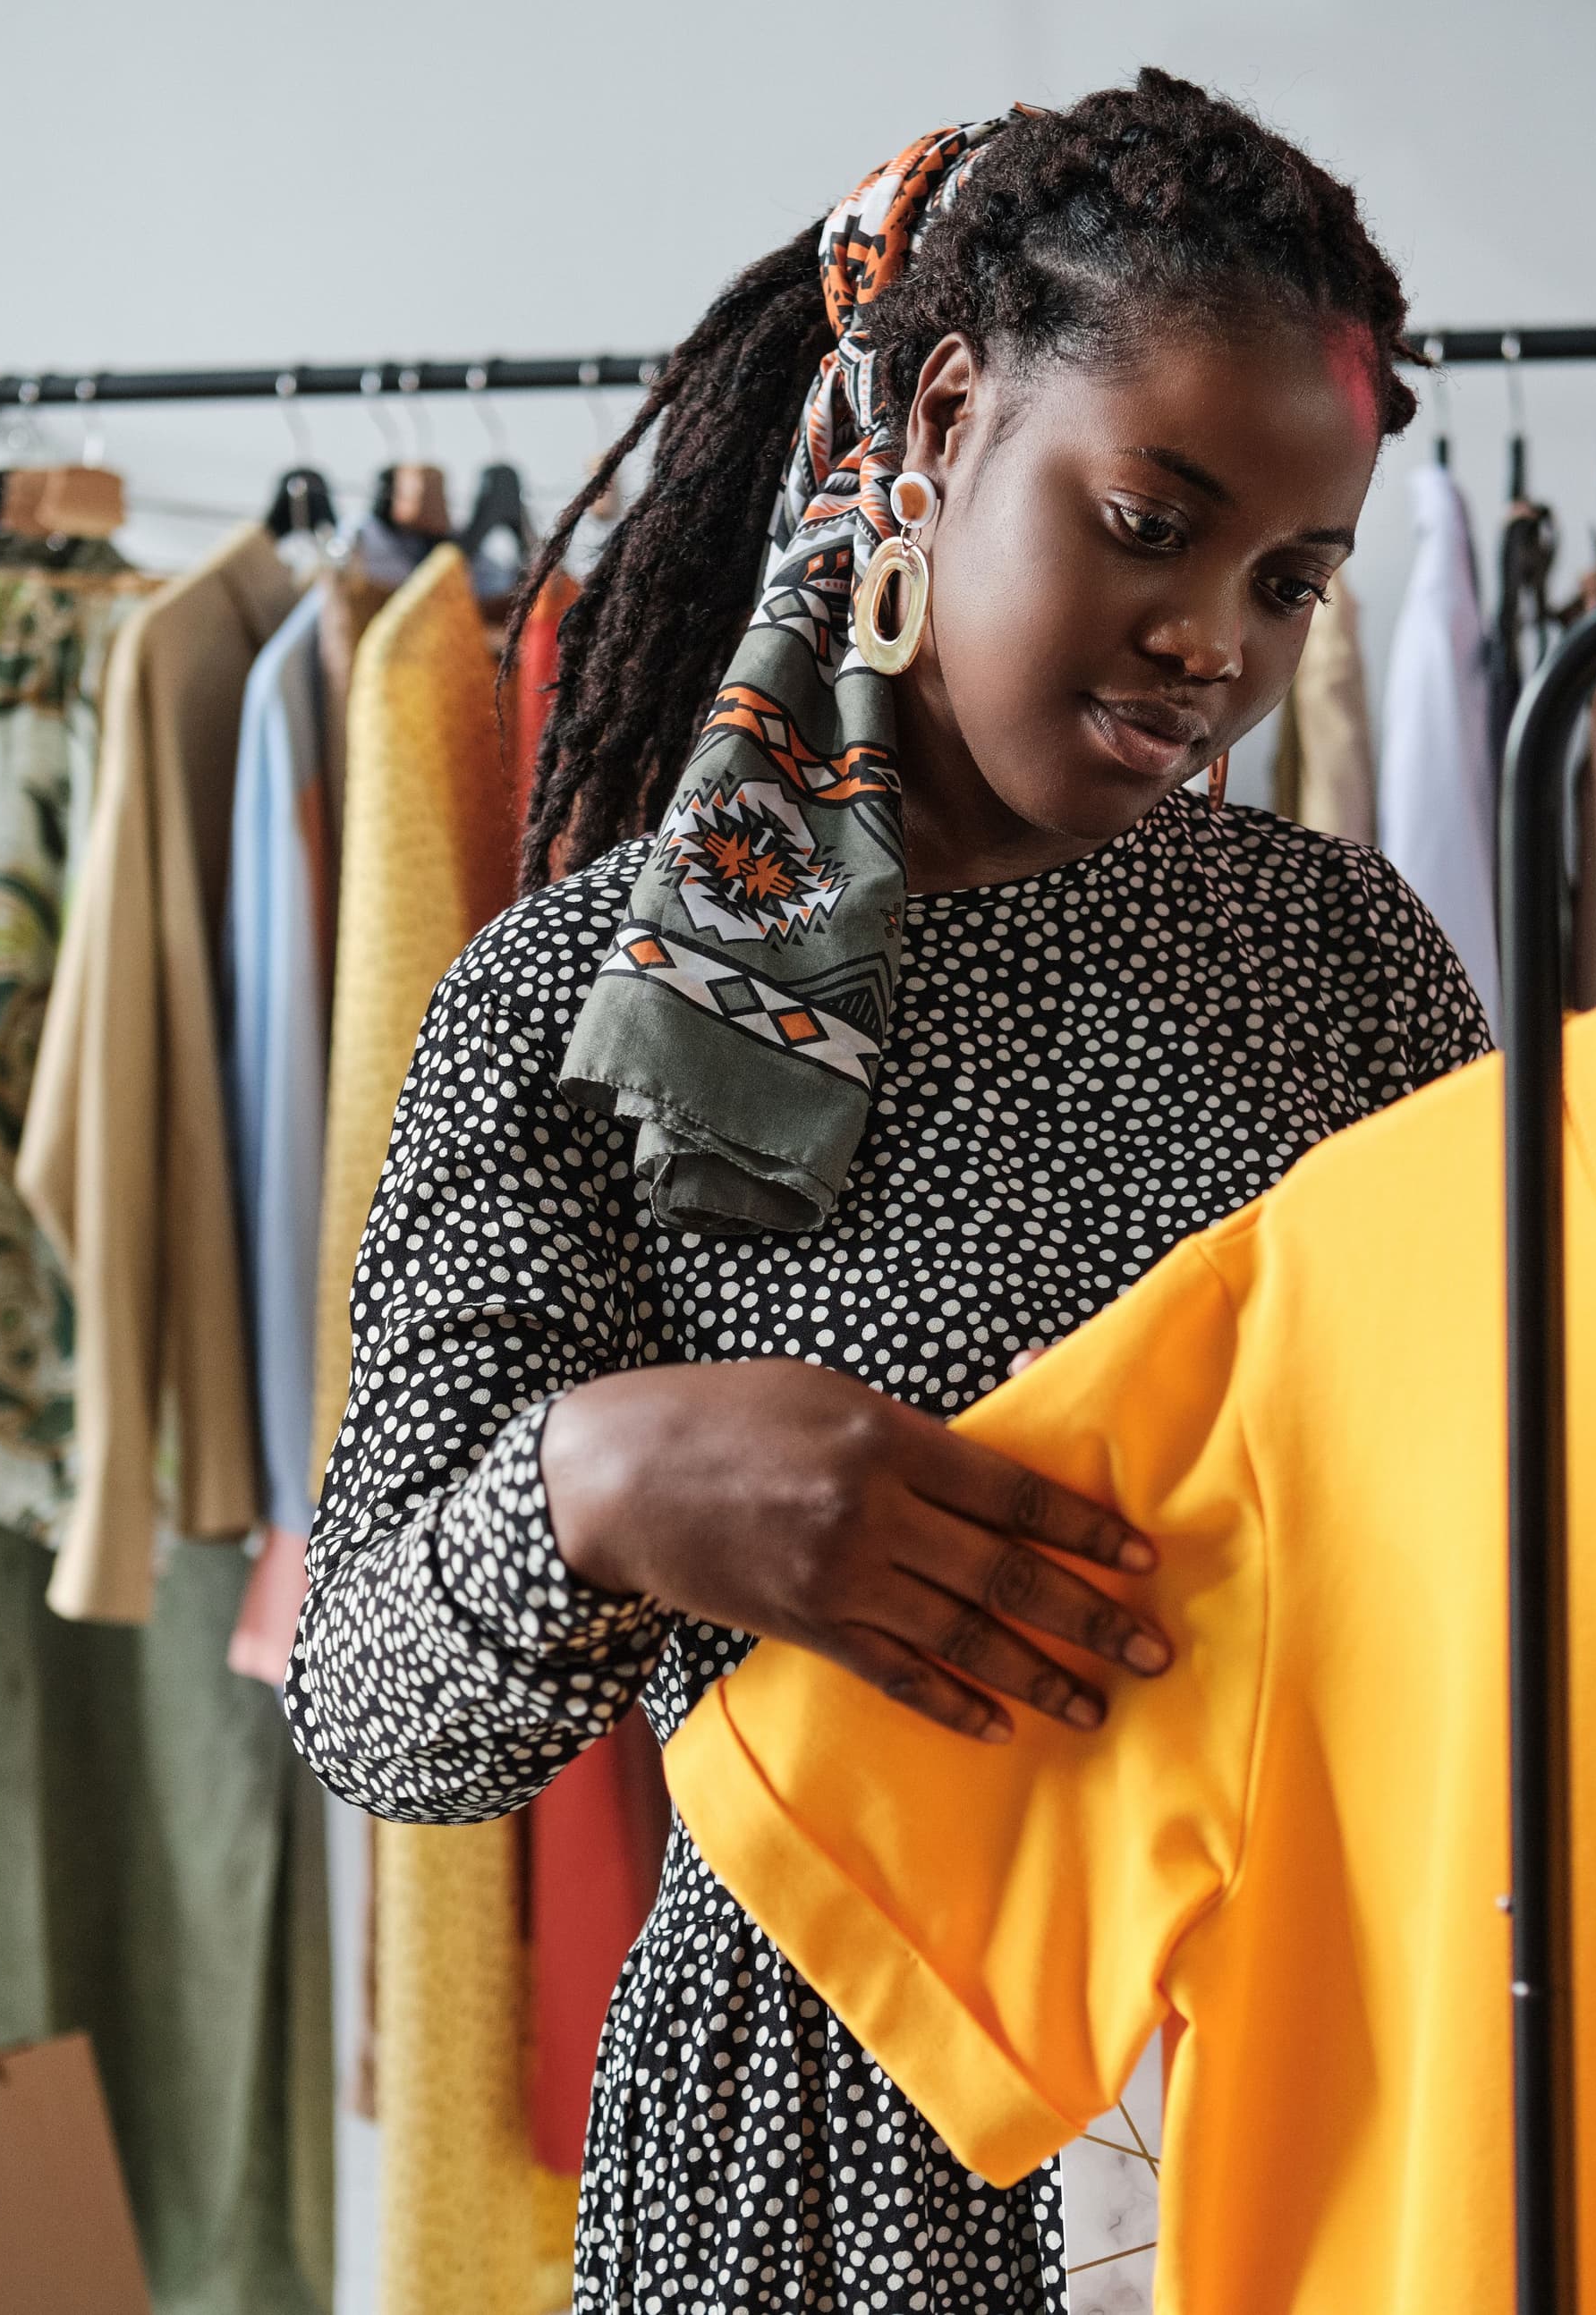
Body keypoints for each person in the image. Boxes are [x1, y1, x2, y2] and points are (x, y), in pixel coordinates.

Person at [285, 73, 1486, 2308]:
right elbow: (371, 1707)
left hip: (1297, 2095)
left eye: (1290, 577)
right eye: (1149, 520)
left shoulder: (1343, 965)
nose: (1214, 641)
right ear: (939, 420)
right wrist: (599, 1486)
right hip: (819, 2169)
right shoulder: (591, 1000)